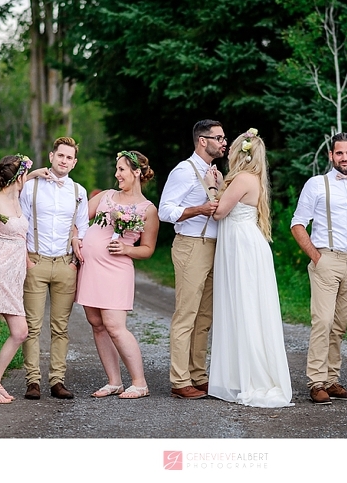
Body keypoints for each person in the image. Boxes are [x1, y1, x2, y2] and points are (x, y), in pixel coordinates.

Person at [204, 129, 294, 408]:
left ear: (240, 153)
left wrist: (211, 187)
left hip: (242, 246)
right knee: (245, 306)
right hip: (243, 243)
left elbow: (219, 212)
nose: (228, 150)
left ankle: (252, 375)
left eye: (231, 147)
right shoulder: (250, 178)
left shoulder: (243, 178)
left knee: (245, 306)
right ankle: (240, 372)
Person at [290, 132, 347, 405]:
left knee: (339, 326)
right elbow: (297, 224)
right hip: (326, 260)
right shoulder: (316, 184)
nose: (344, 158)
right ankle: (316, 382)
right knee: (323, 321)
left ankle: (331, 380)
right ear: (331, 156)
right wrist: (317, 258)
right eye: (339, 153)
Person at [74, 150, 160, 399]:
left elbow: (148, 249)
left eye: (121, 169)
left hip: (116, 271)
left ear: (136, 172)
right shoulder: (105, 196)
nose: (117, 174)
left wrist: (126, 249)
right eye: (117, 169)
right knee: (97, 323)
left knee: (114, 325)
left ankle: (140, 383)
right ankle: (114, 382)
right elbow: (78, 218)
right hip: (90, 268)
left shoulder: (147, 209)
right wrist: (75, 237)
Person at [0, 154, 50, 404]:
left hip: (12, 276)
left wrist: (35, 173)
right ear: (18, 177)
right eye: (25, 173)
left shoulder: (17, 196)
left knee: (20, 331)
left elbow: (23, 178)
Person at [158, 119, 226, 399]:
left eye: (224, 138)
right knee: (186, 314)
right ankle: (179, 380)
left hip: (214, 247)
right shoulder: (183, 171)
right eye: (219, 138)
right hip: (190, 245)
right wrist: (199, 209)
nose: (224, 142)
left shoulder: (216, 173)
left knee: (205, 316)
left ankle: (198, 375)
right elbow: (165, 211)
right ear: (202, 141)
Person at [20, 137, 90, 400]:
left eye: (69, 157)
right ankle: (32, 381)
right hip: (35, 261)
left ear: (74, 162)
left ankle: (57, 381)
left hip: (64, 265)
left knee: (60, 328)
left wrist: (74, 262)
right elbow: (21, 223)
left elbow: (82, 228)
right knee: (32, 326)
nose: (64, 160)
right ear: (51, 156)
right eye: (60, 155)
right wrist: (26, 259)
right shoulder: (32, 187)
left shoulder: (79, 192)